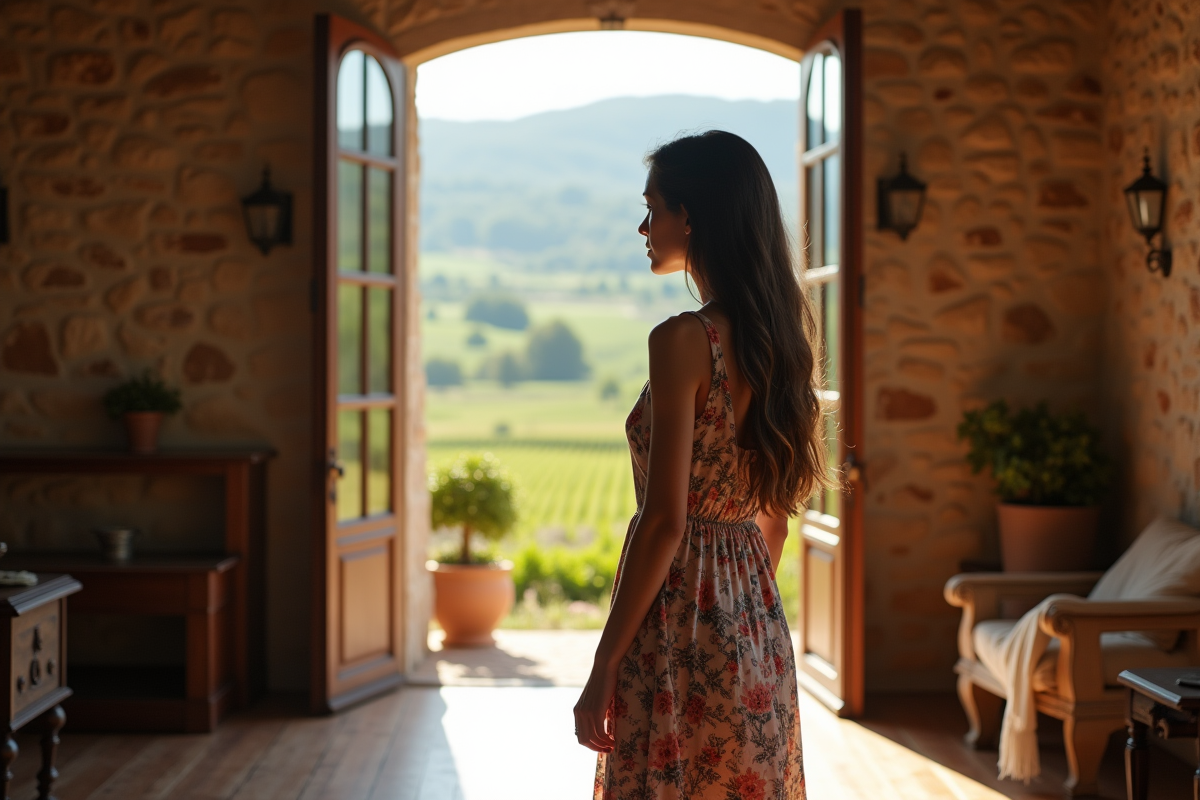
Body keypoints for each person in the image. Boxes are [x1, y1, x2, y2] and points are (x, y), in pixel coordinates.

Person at [574, 130, 830, 800]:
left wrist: (603, 667)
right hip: (755, 622)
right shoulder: (779, 342)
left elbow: (665, 522)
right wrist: (738, 610)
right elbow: (773, 516)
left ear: (691, 216)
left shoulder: (684, 339)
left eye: (652, 207)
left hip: (678, 614)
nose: (644, 226)